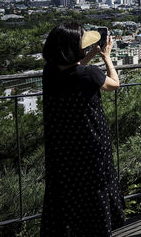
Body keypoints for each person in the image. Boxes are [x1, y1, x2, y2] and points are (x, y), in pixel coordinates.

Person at [40, 22, 125, 236]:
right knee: (95, 186)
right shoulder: (89, 74)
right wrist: (106, 56)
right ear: (72, 48)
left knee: (68, 190)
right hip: (89, 141)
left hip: (61, 143)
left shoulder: (49, 72)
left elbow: (74, 69)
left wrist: (89, 56)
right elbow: (115, 84)